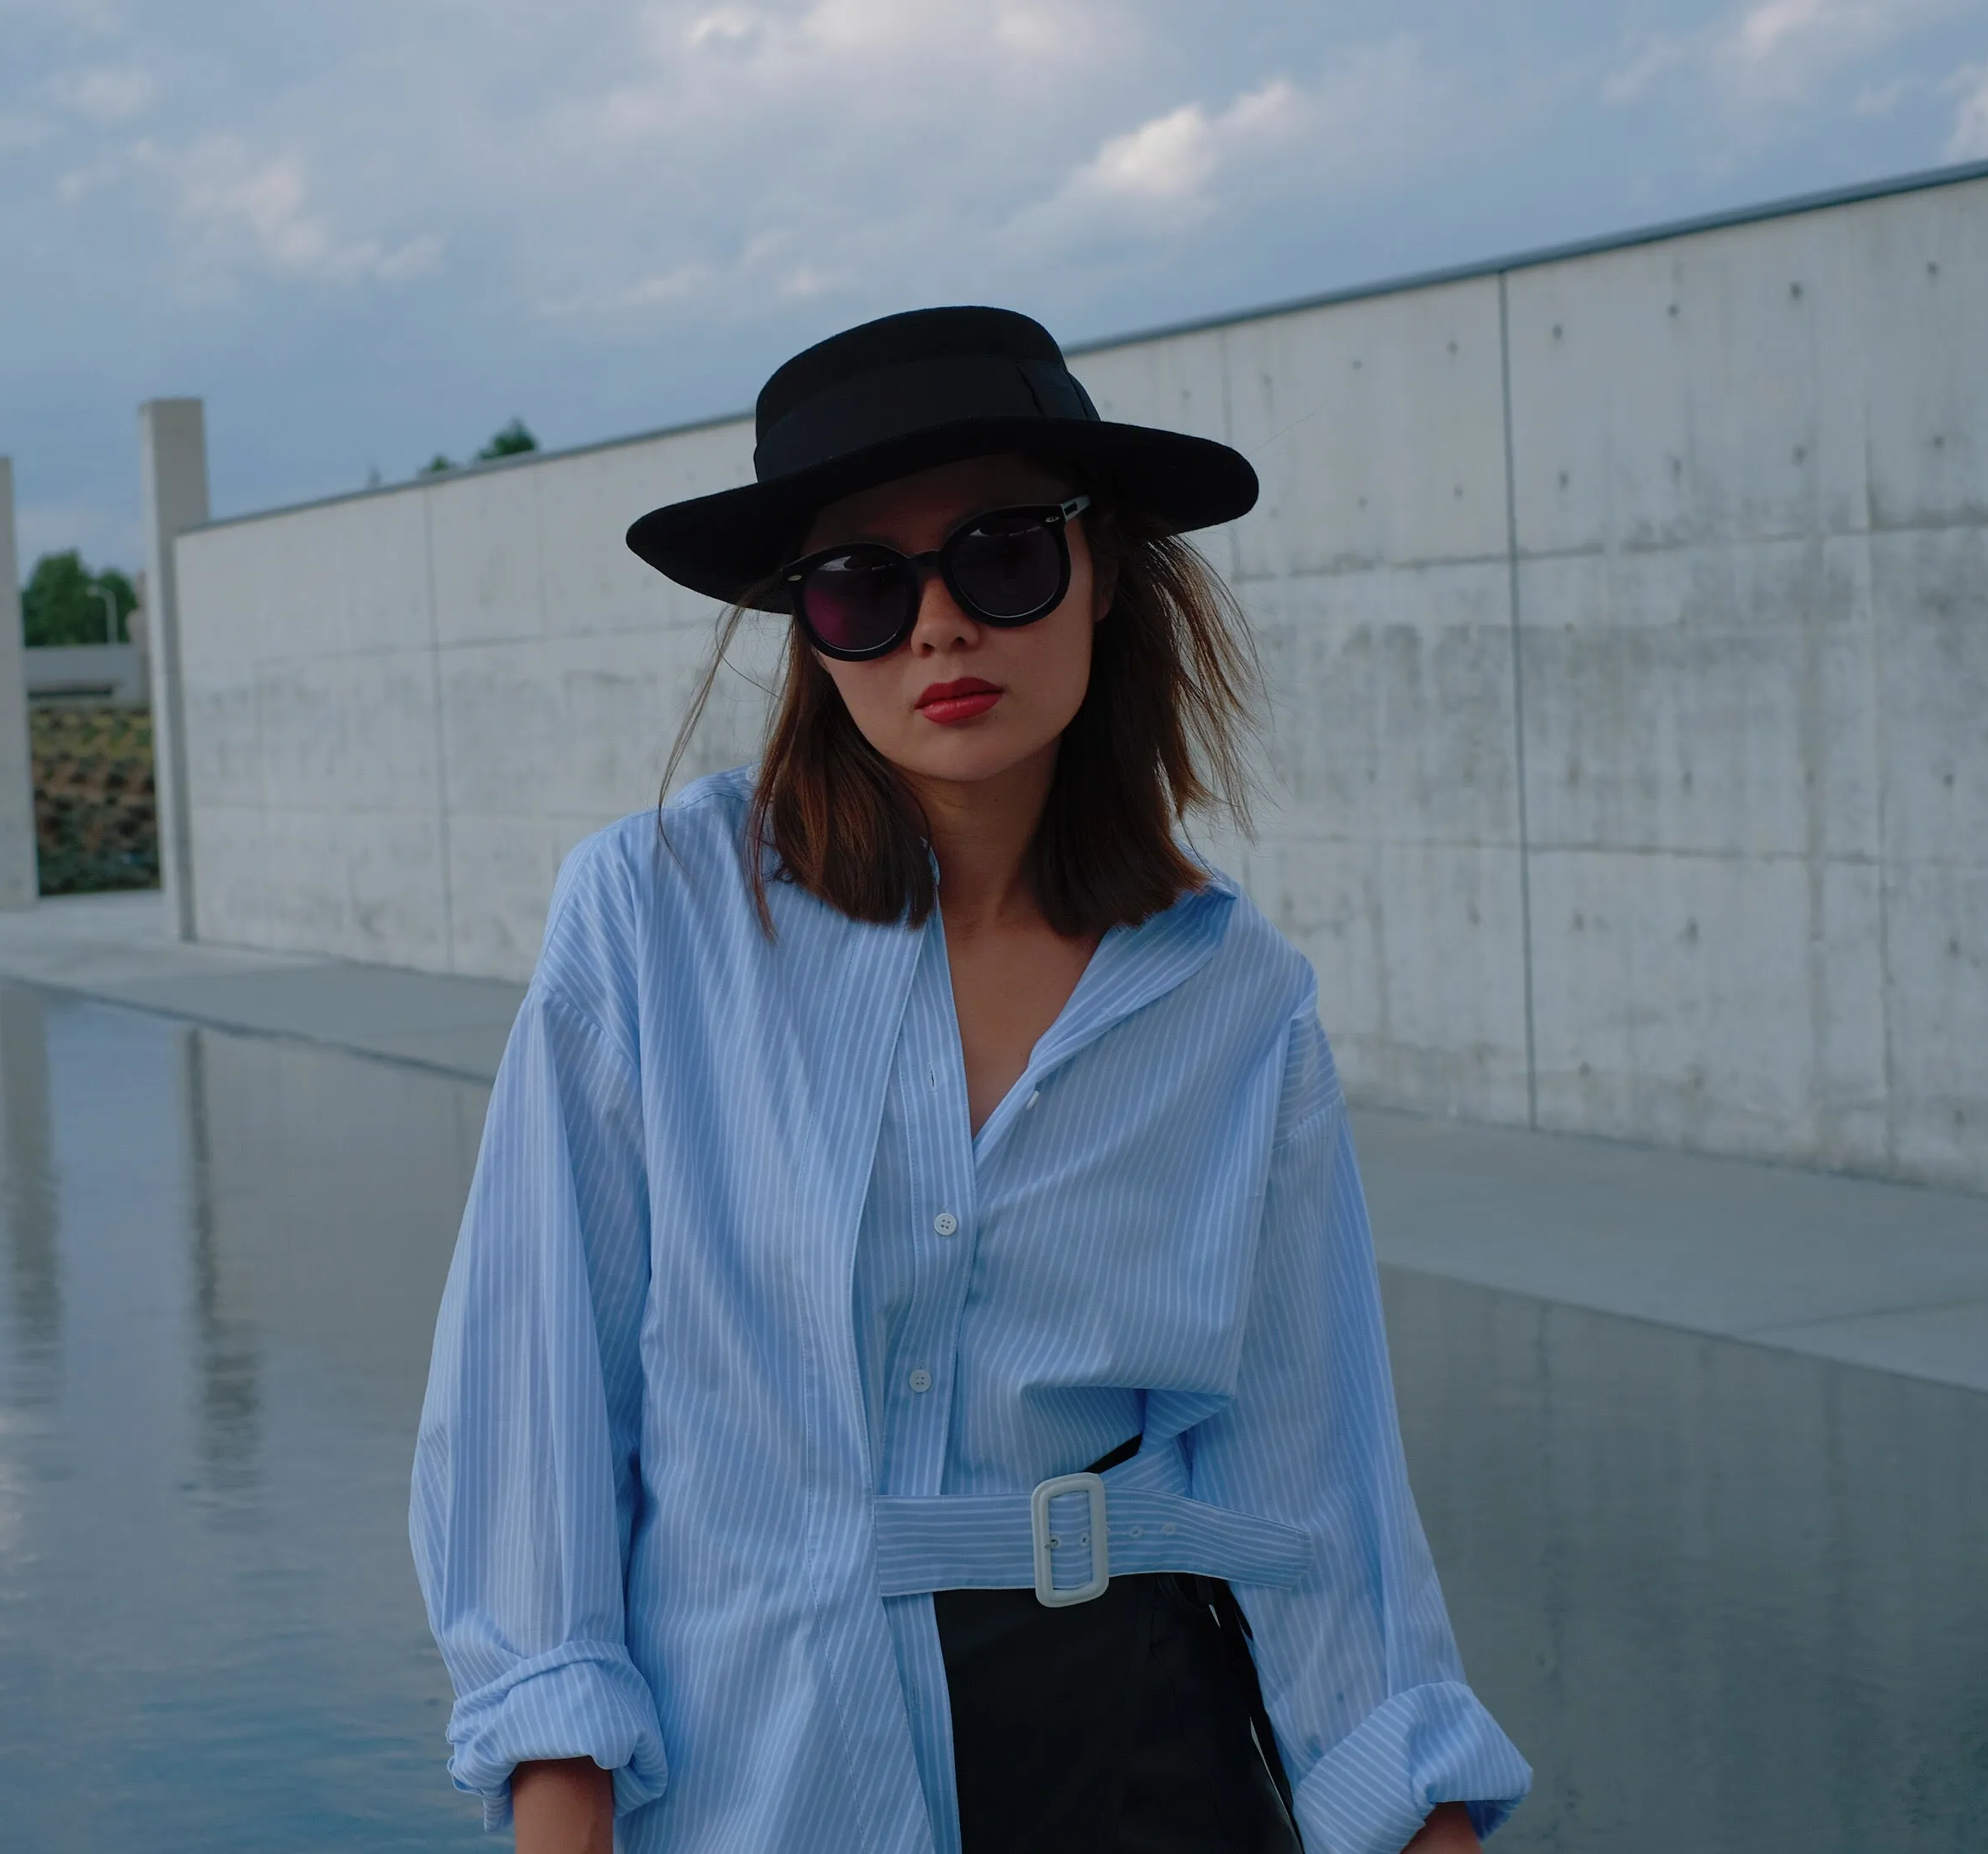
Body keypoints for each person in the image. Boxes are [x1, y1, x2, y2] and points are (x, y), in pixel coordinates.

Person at [411, 306, 1530, 1854]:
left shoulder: (1234, 997)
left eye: (1003, 557)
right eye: (861, 583)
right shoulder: (654, 922)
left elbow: (1314, 1482)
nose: (939, 628)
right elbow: (537, 1407)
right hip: (770, 1774)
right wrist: (559, 1794)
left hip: (1149, 1755)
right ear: (807, 625)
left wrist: (1421, 1815)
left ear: (1107, 567)